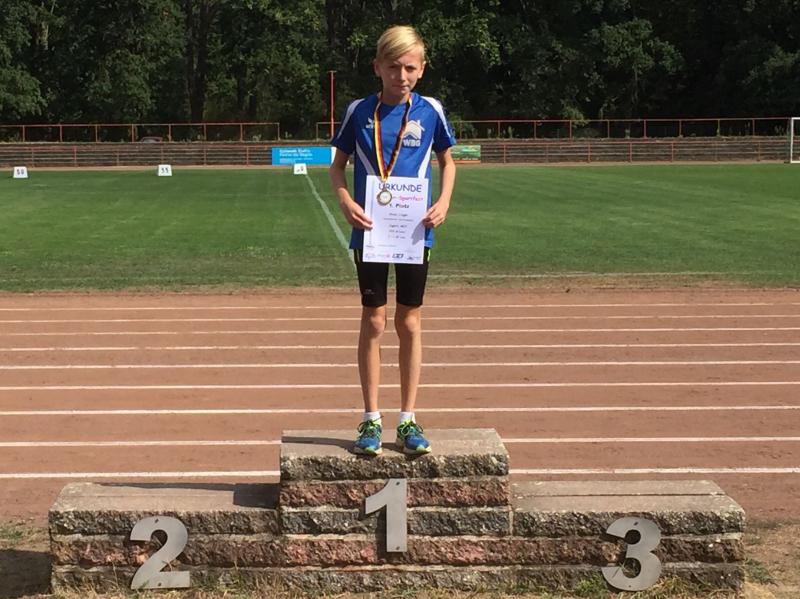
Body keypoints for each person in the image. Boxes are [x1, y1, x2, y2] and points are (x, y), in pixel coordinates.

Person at [328, 24, 457, 456]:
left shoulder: (431, 110)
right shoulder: (359, 111)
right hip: (370, 230)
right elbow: (337, 166)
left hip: (415, 231)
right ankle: (370, 419)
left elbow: (448, 161)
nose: (401, 76)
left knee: (410, 321)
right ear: (377, 67)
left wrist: (444, 201)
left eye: (409, 68)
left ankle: (408, 419)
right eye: (393, 67)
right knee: (374, 320)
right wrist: (345, 201)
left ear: (421, 70)